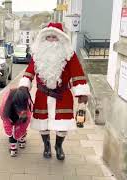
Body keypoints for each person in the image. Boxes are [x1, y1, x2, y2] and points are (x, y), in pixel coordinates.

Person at [18, 22, 90, 160]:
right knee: (42, 124)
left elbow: (77, 74)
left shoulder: (69, 54)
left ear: (61, 38)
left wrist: (81, 95)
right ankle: (46, 146)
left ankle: (58, 146)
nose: (51, 39)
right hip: (42, 95)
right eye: (48, 37)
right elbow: (29, 72)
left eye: (54, 37)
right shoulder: (37, 54)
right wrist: (24, 85)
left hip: (62, 95)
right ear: (43, 38)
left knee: (62, 125)